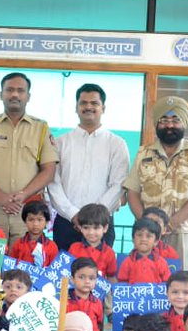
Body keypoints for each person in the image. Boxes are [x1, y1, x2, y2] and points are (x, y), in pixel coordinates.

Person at [124, 96, 188, 269]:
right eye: (164, 120)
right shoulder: (143, 153)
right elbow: (132, 191)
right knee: (146, 281)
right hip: (148, 235)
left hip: (184, 232)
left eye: (175, 120)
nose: (169, 125)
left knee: (183, 285)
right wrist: (148, 224)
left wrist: (171, 223)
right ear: (157, 124)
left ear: (184, 123)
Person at [0, 72, 59, 239]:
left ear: (28, 96)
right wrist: (0, 196)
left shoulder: (41, 128)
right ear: (1, 95)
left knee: (24, 262)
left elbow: (49, 170)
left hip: (27, 212)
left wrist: (24, 195)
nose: (15, 94)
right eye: (9, 90)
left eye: (20, 90)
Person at [48, 83, 130, 251]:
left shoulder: (116, 144)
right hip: (66, 222)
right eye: (83, 103)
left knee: (98, 274)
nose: (88, 107)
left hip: (102, 225)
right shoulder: (60, 143)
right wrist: (73, 215)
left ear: (103, 108)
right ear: (76, 107)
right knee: (64, 276)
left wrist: (94, 218)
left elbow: (118, 185)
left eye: (94, 103)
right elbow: (53, 183)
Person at [68, 258, 105, 331]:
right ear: (72, 279)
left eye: (91, 278)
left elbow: (100, 323)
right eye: (81, 277)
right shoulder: (65, 301)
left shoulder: (97, 302)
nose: (87, 281)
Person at [69, 203, 119, 280]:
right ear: (80, 228)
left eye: (96, 228)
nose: (91, 232)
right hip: (76, 291)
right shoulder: (74, 248)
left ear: (105, 228)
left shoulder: (110, 253)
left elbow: (111, 277)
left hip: (101, 291)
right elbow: (67, 273)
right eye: (86, 228)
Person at [116, 218, 170, 284]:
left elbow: (167, 284)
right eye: (139, 235)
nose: (143, 239)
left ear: (156, 241)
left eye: (148, 236)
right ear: (133, 239)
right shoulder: (127, 262)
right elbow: (122, 283)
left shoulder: (161, 262)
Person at [6, 199, 58, 266]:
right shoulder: (18, 244)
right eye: (31, 220)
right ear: (25, 221)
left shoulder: (52, 246)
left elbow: (54, 270)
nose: (35, 224)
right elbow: (11, 266)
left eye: (40, 220)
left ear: (46, 222)